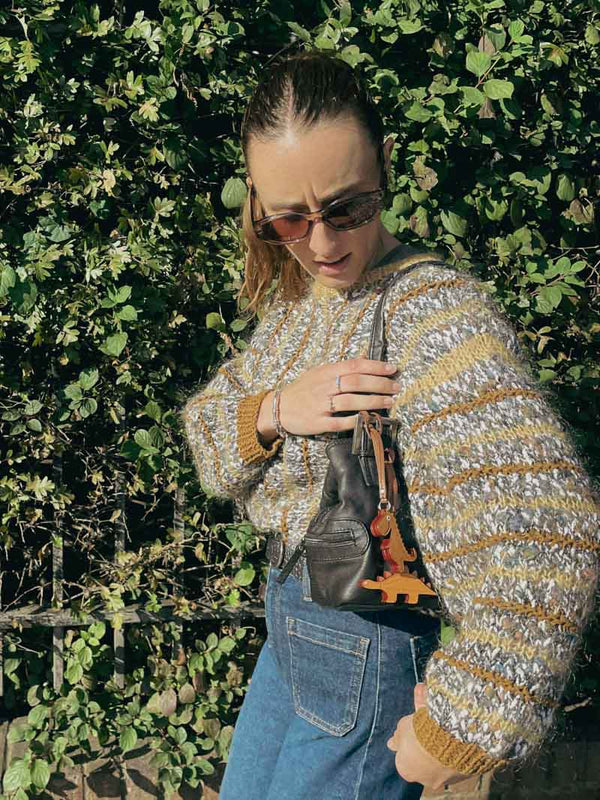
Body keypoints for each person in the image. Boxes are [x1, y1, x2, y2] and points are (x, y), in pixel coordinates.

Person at [180, 50, 600, 799]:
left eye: (346, 208)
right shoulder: (295, 311)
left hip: (366, 650)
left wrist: (460, 727)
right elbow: (208, 434)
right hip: (289, 638)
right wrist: (278, 410)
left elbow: (548, 535)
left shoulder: (433, 317)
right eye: (288, 218)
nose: (320, 243)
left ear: (386, 167)